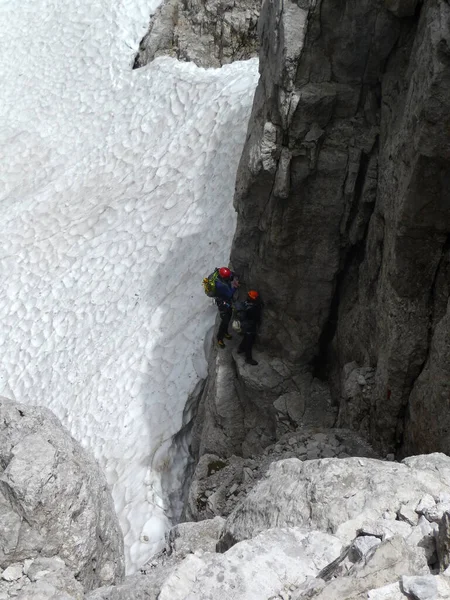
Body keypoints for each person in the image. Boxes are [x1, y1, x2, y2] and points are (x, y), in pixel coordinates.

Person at [215, 267, 239, 348]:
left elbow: (231, 274)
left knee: (228, 317)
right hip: (223, 303)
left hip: (227, 302)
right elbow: (229, 294)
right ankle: (219, 337)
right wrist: (235, 287)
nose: (229, 277)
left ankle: (225, 332)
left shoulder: (224, 275)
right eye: (227, 277)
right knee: (225, 320)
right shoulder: (220, 285)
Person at [237, 290, 262, 365]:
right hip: (249, 326)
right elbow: (256, 318)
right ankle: (248, 358)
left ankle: (241, 348)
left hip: (245, 325)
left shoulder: (246, 303)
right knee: (249, 342)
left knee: (246, 337)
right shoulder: (252, 308)